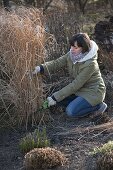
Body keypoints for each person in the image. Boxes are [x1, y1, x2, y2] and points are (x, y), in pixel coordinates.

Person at [33, 33, 107, 117]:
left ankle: (98, 106)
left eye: (76, 47)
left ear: (84, 48)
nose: (72, 49)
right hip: (79, 90)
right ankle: (79, 103)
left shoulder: (91, 64)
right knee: (58, 101)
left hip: (92, 92)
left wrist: (54, 98)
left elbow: (76, 84)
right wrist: (41, 68)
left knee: (70, 111)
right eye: (71, 46)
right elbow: (57, 63)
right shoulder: (72, 55)